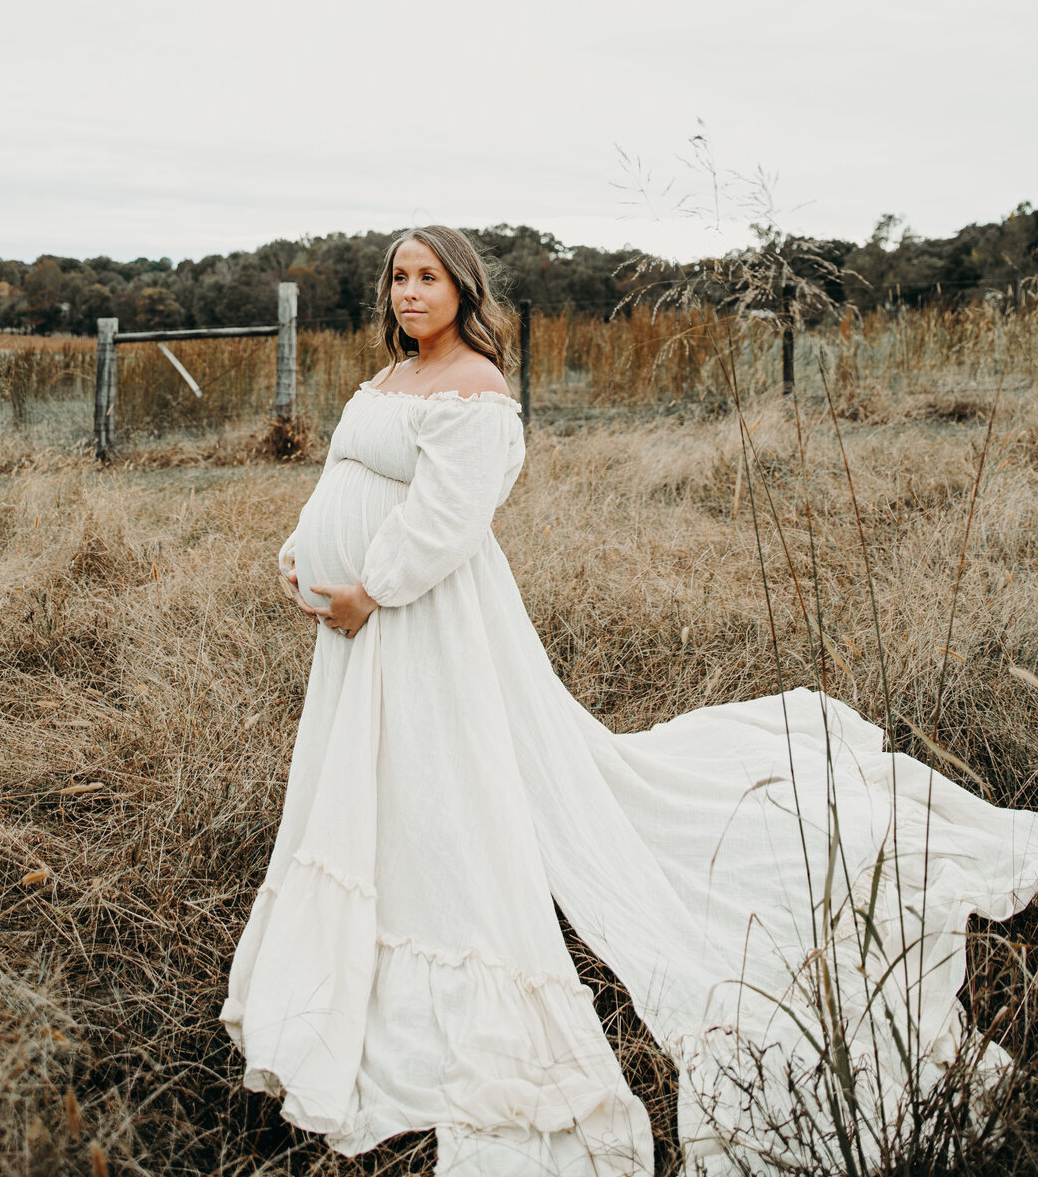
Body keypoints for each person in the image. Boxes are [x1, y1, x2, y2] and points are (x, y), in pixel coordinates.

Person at [221, 226, 1038, 1177]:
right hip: (361, 624)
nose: (409, 294)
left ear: (463, 290)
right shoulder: (391, 378)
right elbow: (347, 473)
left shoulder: (476, 391)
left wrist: (370, 588)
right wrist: (302, 548)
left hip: (423, 615)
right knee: (382, 767)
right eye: (397, 279)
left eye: (427, 278)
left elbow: (447, 521)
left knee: (451, 763)